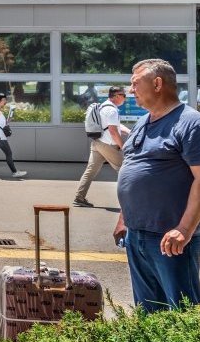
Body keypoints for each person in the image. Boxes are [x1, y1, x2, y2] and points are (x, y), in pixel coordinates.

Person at [114, 59, 200, 312]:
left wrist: (184, 229)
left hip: (171, 238)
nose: (131, 90)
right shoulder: (143, 122)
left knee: (182, 316)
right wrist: (124, 218)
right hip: (137, 234)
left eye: (135, 83)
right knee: (149, 314)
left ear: (158, 83)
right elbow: (134, 171)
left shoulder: (190, 122)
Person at [74, 86, 129, 208]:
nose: (125, 98)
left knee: (90, 171)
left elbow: (115, 126)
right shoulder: (112, 110)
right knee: (126, 171)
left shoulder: (103, 106)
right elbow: (113, 131)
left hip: (97, 143)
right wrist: (123, 146)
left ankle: (79, 198)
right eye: (123, 95)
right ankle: (129, 201)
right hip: (107, 145)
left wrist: (129, 132)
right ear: (116, 96)